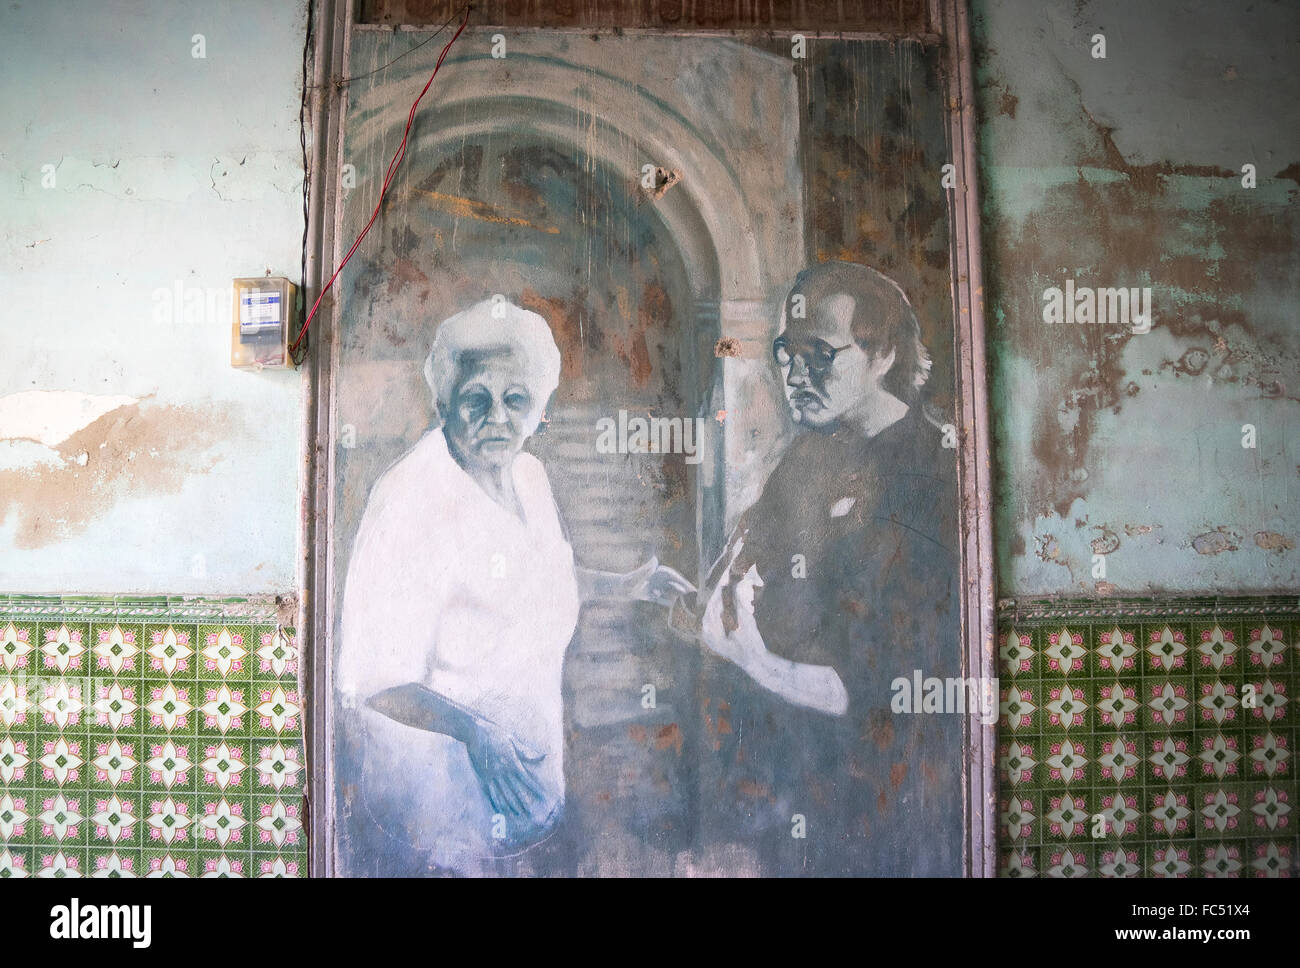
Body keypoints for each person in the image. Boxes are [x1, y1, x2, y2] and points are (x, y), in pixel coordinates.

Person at [337, 297, 692, 876]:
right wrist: (476, 734)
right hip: (438, 797)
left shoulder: (527, 474)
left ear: (539, 409)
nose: (497, 417)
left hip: (526, 780)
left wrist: (628, 586)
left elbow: (534, 580)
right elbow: (372, 678)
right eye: (477, 398)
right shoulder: (407, 502)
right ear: (444, 403)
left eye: (516, 400)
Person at [694, 261, 962, 875]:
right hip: (793, 783)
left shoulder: (928, 474)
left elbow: (875, 690)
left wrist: (749, 657)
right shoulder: (811, 454)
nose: (794, 376)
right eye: (786, 355)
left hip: (883, 792)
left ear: (884, 356)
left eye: (821, 354)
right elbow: (743, 565)